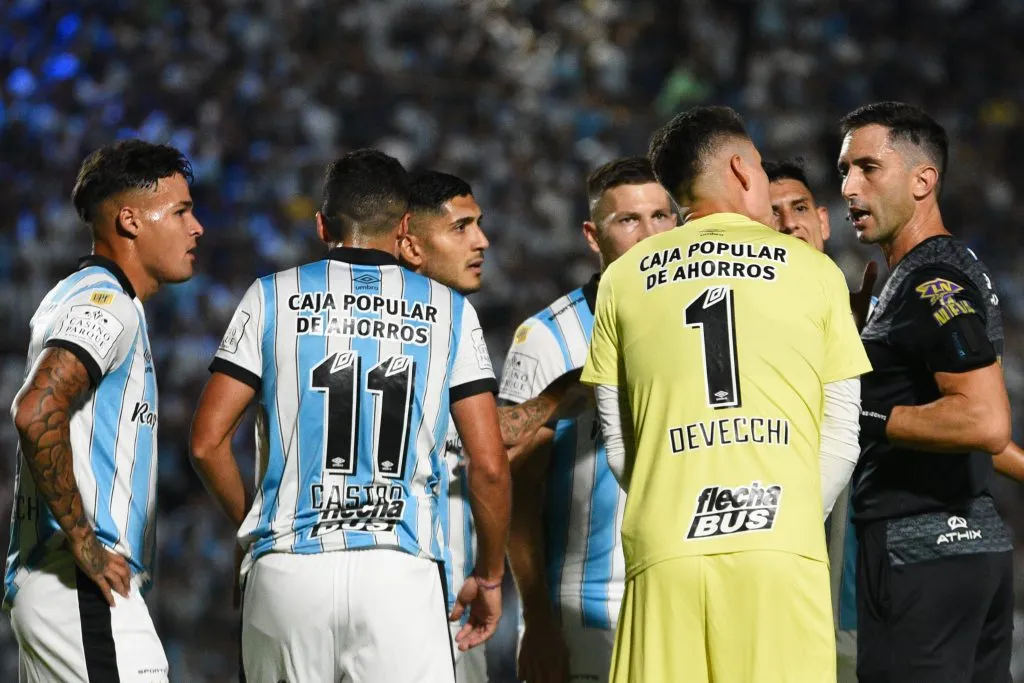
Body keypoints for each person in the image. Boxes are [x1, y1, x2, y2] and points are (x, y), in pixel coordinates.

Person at [189, 150, 511, 683]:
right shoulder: (450, 309)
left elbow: (205, 443)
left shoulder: (272, 295)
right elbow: (490, 463)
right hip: (399, 569)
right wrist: (491, 577)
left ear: (321, 226)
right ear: (405, 226)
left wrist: (255, 530)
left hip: (288, 566)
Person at [580, 105, 871, 683]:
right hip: (780, 547)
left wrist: (672, 495)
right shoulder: (815, 272)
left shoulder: (622, 279)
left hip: (668, 548)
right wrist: (785, 515)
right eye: (762, 169)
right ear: (742, 170)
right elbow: (842, 432)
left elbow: (619, 444)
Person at [5, 140, 203, 682]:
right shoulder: (106, 302)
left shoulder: (81, 295)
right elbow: (35, 409)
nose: (197, 228)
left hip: (58, 588)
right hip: (81, 587)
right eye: (182, 211)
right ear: (130, 220)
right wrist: (85, 543)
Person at [838, 102, 1015, 683]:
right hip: (973, 538)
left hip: (919, 547)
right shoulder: (943, 267)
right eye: (844, 169)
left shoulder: (930, 278)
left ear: (922, 180)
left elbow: (982, 420)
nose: (849, 186)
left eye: (868, 167)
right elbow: (983, 423)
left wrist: (865, 413)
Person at [400, 169, 590, 683]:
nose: (481, 240)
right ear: (411, 244)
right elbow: (491, 444)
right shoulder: (442, 318)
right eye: (461, 227)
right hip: (428, 592)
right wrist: (563, 391)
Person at [503, 157, 676, 683]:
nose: (650, 236)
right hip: (589, 611)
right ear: (591, 235)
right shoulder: (547, 340)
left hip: (682, 599)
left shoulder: (705, 321)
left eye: (661, 217)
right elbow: (518, 495)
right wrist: (537, 620)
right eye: (628, 220)